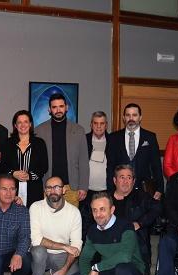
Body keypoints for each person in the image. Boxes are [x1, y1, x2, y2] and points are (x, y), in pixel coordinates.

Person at [64, 192, 145, 275]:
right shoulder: (92, 231)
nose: (98, 214)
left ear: (112, 210)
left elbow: (125, 256)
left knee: (122, 269)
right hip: (107, 269)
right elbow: (84, 259)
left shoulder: (125, 226)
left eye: (102, 209)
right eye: (95, 210)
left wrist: (96, 268)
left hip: (131, 270)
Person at [30, 176, 82, 275]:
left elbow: (76, 246)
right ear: (45, 191)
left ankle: (57, 274)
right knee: (38, 251)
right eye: (49, 187)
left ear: (64, 190)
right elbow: (36, 239)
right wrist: (64, 246)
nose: (53, 191)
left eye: (57, 187)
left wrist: (63, 271)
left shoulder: (74, 212)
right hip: (42, 254)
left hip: (62, 256)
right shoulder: (36, 207)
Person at [35, 93, 89, 207]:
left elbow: (83, 161)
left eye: (61, 106)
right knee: (49, 222)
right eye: (54, 107)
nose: (58, 110)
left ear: (67, 107)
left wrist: (83, 187)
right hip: (48, 187)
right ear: (49, 110)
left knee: (70, 222)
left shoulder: (78, 130)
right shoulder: (39, 131)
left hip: (71, 187)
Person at [110, 165, 162, 275]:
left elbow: (158, 208)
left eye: (129, 178)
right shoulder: (106, 198)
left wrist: (140, 223)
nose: (125, 181)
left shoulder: (142, 197)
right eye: (122, 177)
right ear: (115, 180)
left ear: (133, 181)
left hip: (134, 247)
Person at [107, 103, 163, 200]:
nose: (131, 118)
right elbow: (110, 166)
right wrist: (111, 189)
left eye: (134, 115)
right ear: (124, 118)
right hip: (120, 190)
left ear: (140, 117)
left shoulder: (150, 137)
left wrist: (160, 188)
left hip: (144, 190)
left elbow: (156, 165)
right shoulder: (113, 138)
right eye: (128, 115)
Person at [0, 110, 48, 207]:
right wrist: (13, 173)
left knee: (33, 218)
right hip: (12, 189)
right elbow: (3, 166)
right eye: (19, 122)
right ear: (15, 125)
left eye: (26, 122)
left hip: (34, 189)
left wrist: (29, 176)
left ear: (30, 124)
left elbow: (44, 167)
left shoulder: (40, 143)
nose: (23, 125)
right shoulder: (7, 143)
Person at [79, 111, 112, 239]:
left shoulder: (113, 140)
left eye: (102, 123)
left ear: (106, 125)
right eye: (96, 123)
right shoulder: (83, 140)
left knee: (104, 225)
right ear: (91, 125)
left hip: (106, 191)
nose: (99, 126)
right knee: (85, 226)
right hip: (86, 191)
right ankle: (85, 255)